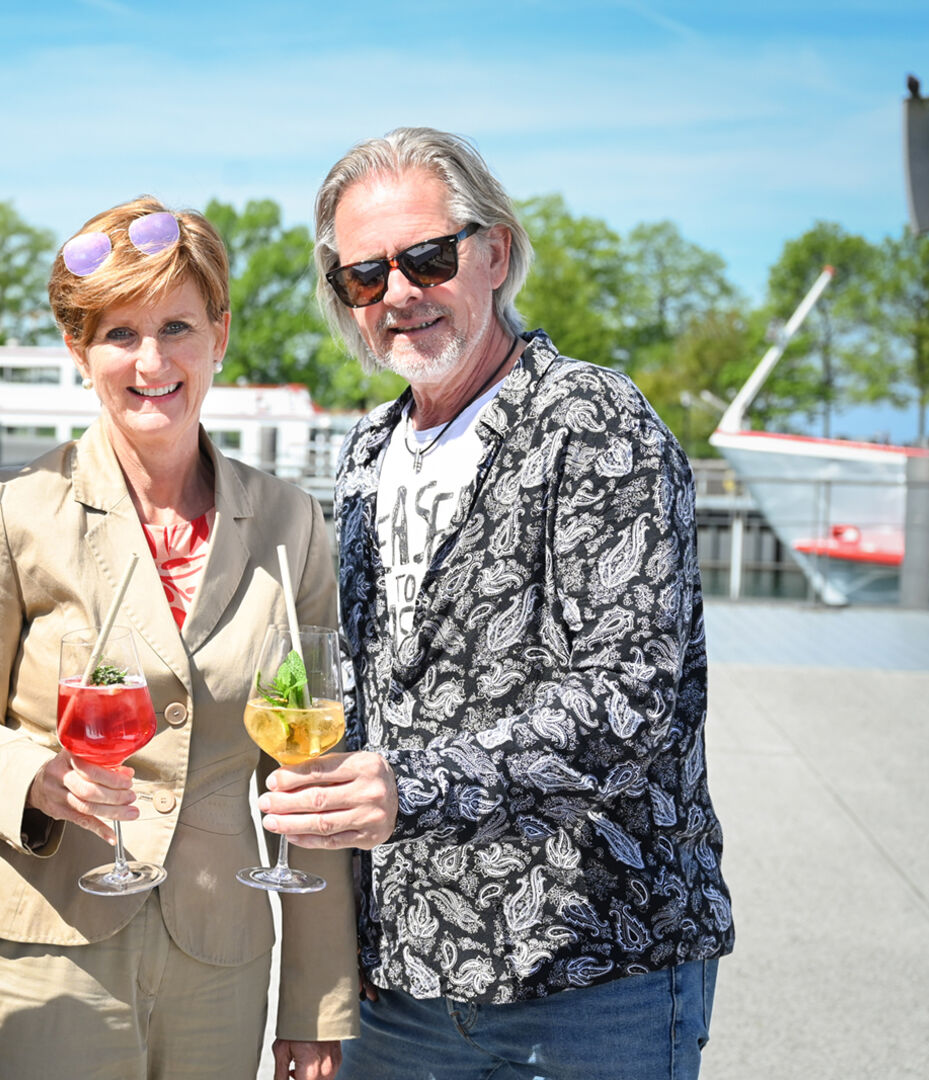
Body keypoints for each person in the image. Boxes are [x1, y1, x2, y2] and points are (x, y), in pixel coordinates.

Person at [256, 128, 735, 1079]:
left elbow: (626, 702)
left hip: (590, 976)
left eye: (427, 258)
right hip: (400, 979)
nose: (398, 295)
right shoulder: (361, 455)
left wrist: (415, 786)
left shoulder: (595, 424)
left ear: (496, 254)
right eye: (364, 276)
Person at [0, 197, 358, 1080]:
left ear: (220, 335)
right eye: (119, 334)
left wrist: (315, 1000)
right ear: (79, 352)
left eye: (176, 327)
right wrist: (35, 779)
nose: (152, 361)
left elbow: (309, 770)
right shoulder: (9, 510)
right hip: (34, 947)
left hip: (220, 960)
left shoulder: (290, 521)